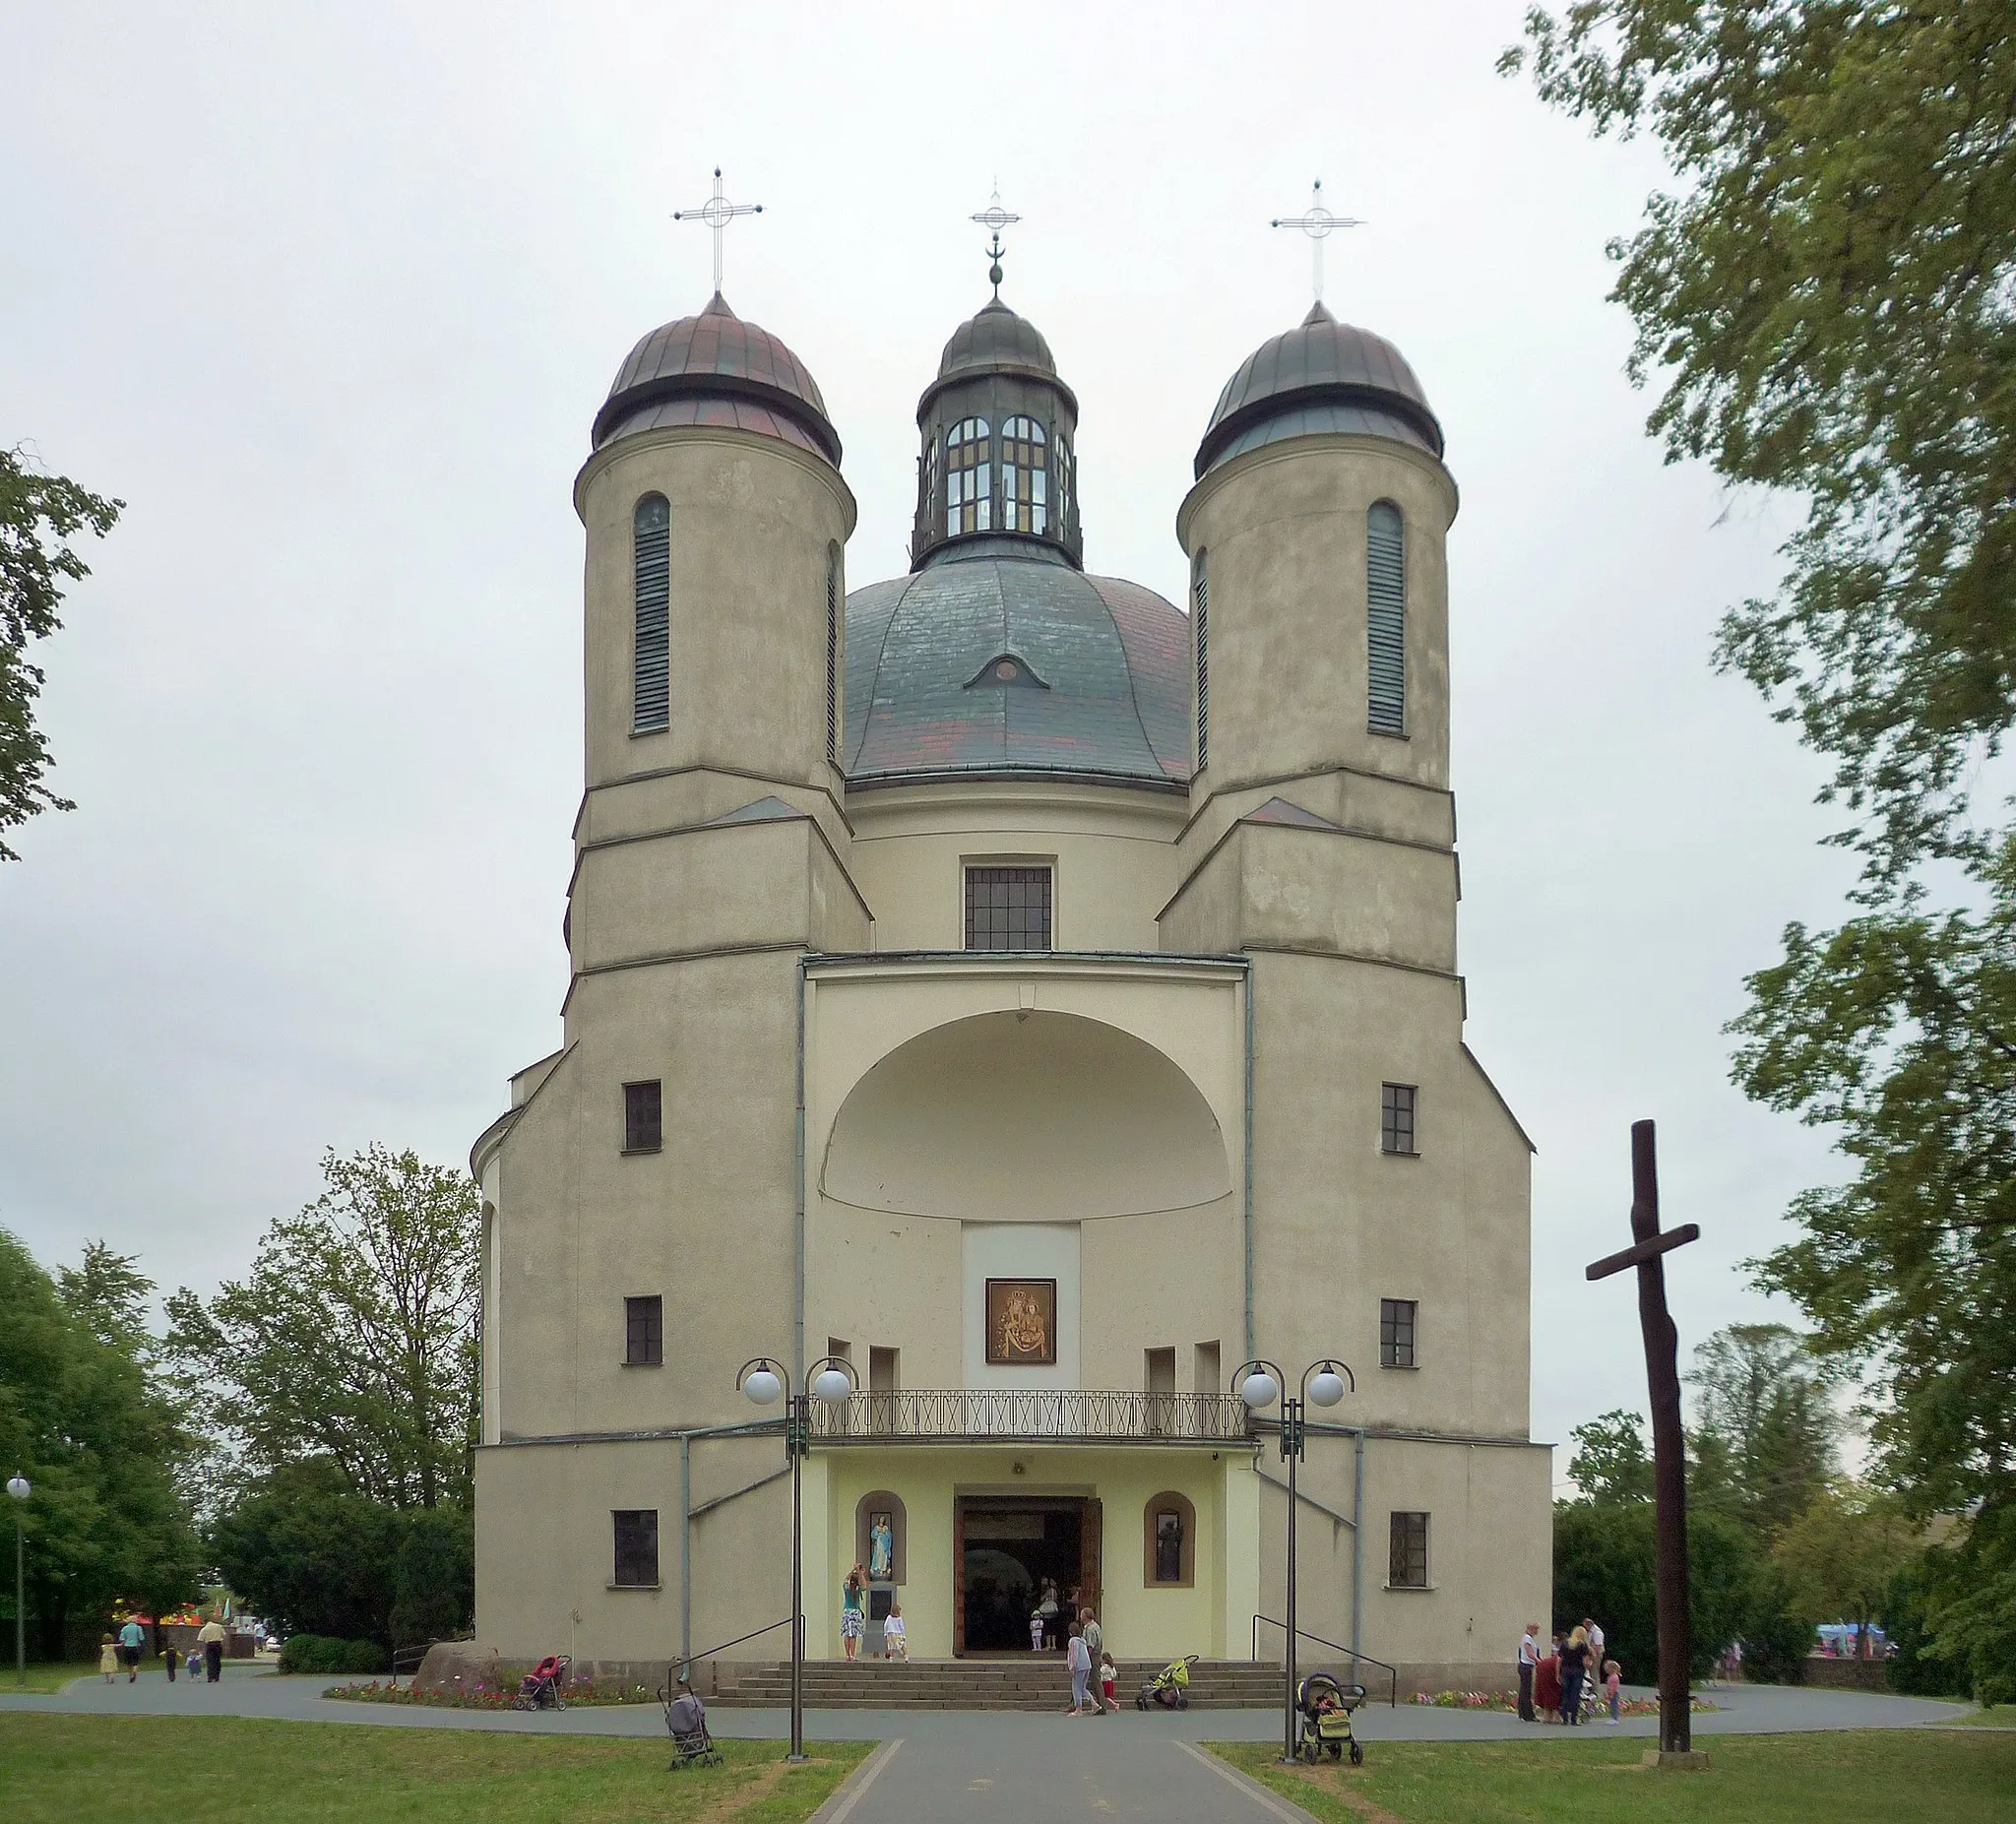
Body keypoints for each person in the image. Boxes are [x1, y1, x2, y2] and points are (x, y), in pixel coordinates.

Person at [1557, 1625, 1591, 1725]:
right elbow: (1585, 1661)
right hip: (1578, 1670)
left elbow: (1559, 1659)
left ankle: (1564, 1718)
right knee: (1575, 1694)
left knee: (1565, 1694)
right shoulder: (1583, 1645)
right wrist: (1588, 1665)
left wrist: (1557, 1673)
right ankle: (1573, 1719)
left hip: (1566, 1670)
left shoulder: (1565, 1643)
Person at [840, 1565, 865, 1662]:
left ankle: (847, 1654)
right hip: (855, 1612)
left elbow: (846, 1579)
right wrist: (860, 1573)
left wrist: (853, 1570)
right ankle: (853, 1654)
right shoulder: (858, 1589)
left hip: (847, 1611)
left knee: (846, 1634)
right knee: (853, 1635)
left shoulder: (846, 1587)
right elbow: (865, 1585)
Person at [1533, 1638, 1561, 1723]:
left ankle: (1547, 1717)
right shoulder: (1568, 1656)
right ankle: (1556, 1718)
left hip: (1542, 1668)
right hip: (1548, 1670)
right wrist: (1558, 1676)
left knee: (1547, 1692)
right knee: (1555, 1692)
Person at [1065, 1622, 1091, 1717]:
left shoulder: (1073, 1641)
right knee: (1082, 1687)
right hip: (1087, 1665)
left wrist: (1072, 1667)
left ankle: (1078, 1709)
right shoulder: (1082, 1640)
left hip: (1079, 1666)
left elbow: (1073, 1655)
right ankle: (1094, 1703)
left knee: (1076, 1687)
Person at [1517, 1621, 1539, 1722]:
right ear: (1531, 1628)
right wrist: (1539, 1661)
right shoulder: (1527, 1638)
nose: (1537, 1631)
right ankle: (1527, 1714)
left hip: (1526, 1665)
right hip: (1526, 1665)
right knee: (1526, 1690)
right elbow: (1529, 1653)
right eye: (1536, 1629)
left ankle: (1523, 1712)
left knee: (1524, 1690)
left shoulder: (1528, 1638)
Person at [197, 1614, 227, 1684]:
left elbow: (200, 1640)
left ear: (205, 1622)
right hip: (218, 1644)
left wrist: (200, 1650)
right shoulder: (219, 1626)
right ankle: (216, 1676)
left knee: (210, 1661)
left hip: (210, 1645)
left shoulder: (204, 1629)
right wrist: (222, 1643)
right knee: (217, 1660)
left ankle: (210, 1677)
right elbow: (224, 1635)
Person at [118, 1616, 146, 1684]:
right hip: (135, 1646)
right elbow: (141, 1637)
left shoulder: (124, 1628)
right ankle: (134, 1671)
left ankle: (130, 1675)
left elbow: (121, 1638)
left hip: (127, 1646)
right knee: (135, 1661)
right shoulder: (138, 1628)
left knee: (128, 1662)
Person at [1603, 1659, 1622, 1724]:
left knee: (1614, 1706)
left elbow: (1613, 1687)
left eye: (1606, 1668)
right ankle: (1613, 1717)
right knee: (1612, 1705)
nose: (1605, 1670)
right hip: (1612, 1693)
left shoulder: (1614, 1677)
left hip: (1613, 1693)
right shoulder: (1611, 1677)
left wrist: (1610, 1694)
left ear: (1611, 1669)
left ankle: (1614, 1718)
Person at [1099, 1651, 1118, 1716]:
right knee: (1107, 1696)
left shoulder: (1104, 1667)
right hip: (1110, 1682)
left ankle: (1114, 1704)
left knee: (1105, 1696)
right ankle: (1105, 1707)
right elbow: (1114, 1675)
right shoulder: (1112, 1667)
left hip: (1105, 1682)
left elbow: (1100, 1672)